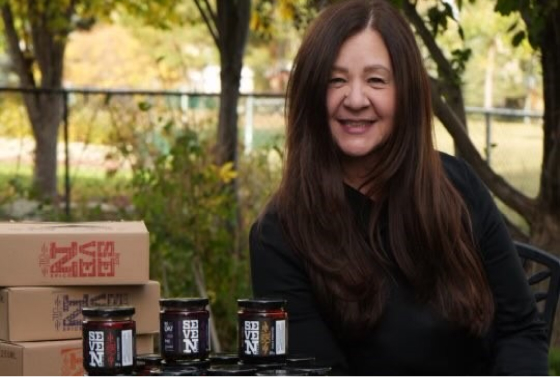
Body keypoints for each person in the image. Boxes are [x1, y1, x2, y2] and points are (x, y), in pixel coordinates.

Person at [248, 0, 549, 375]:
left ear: (405, 92)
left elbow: (520, 330)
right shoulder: (279, 234)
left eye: (376, 80)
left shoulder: (456, 186)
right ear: (311, 93)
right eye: (335, 80)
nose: (355, 100)